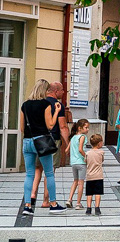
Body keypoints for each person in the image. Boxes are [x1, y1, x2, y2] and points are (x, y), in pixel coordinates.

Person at [20, 79, 64, 215]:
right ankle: (53, 204)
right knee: (49, 173)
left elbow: (22, 128)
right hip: (41, 142)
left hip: (27, 142)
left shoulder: (25, 105)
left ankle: (27, 206)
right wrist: (56, 111)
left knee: (29, 174)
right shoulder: (45, 104)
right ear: (44, 91)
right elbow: (50, 125)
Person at [32, 82, 70, 207]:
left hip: (38, 139)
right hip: (52, 139)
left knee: (38, 169)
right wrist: (68, 143)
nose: (64, 92)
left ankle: (32, 196)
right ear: (56, 91)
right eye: (62, 90)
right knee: (49, 172)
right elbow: (63, 126)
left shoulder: (39, 103)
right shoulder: (58, 105)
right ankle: (45, 201)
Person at [66, 119, 89, 210]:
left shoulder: (73, 137)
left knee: (75, 181)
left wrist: (71, 154)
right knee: (81, 183)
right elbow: (80, 149)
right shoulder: (82, 137)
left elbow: (66, 150)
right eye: (86, 127)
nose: (87, 129)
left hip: (73, 163)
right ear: (80, 128)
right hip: (81, 162)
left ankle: (69, 199)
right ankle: (78, 203)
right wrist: (86, 156)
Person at [85, 134, 105, 216]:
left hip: (89, 176)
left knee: (89, 193)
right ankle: (97, 208)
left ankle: (88, 208)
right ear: (99, 143)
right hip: (99, 176)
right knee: (98, 193)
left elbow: (85, 161)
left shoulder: (88, 153)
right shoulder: (101, 152)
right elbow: (102, 160)